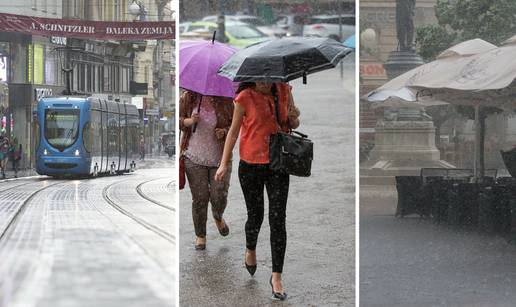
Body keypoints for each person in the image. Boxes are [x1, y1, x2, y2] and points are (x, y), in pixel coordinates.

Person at [215, 82, 300, 301]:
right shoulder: (244, 97)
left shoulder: (284, 90)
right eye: (261, 78)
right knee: (256, 216)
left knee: (278, 219)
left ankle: (276, 276)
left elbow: (293, 123)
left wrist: (293, 116)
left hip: (278, 163)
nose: (265, 81)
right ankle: (250, 248)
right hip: (250, 165)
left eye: (269, 77)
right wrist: (224, 164)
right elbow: (233, 132)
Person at [180, 90, 234, 250]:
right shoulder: (188, 98)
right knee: (200, 198)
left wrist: (224, 132)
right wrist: (189, 121)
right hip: (194, 157)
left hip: (220, 159)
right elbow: (178, 121)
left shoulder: (226, 99)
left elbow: (236, 125)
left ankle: (218, 216)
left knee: (219, 196)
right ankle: (200, 235)